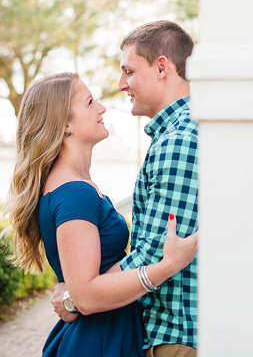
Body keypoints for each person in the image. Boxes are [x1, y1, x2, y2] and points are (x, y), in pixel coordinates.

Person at [3, 72, 197, 357]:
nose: (102, 108)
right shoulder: (73, 193)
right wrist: (167, 266)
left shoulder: (77, 187)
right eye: (90, 102)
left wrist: (71, 297)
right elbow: (87, 295)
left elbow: (78, 291)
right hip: (97, 341)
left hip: (106, 334)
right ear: (65, 124)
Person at [50, 20, 200, 356]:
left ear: (162, 66)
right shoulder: (178, 134)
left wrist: (80, 297)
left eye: (128, 71)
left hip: (175, 336)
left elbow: (157, 251)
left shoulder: (177, 141)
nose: (121, 85)